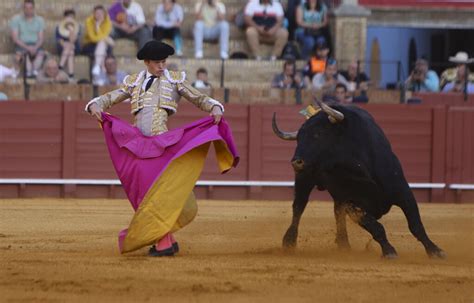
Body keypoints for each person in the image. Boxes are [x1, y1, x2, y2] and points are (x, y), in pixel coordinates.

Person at [85, 40, 226, 257]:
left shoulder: (174, 80)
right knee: (147, 194)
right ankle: (166, 237)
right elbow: (113, 96)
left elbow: (197, 97)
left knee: (158, 194)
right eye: (157, 62)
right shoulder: (135, 81)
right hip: (140, 145)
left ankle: (164, 242)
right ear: (147, 63)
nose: (162, 66)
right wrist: (96, 104)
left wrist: (214, 106)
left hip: (162, 145)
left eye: (164, 61)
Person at [9, 0, 45, 78]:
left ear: (34, 8)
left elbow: (41, 38)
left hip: (36, 45)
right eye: (26, 8)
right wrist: (28, 48)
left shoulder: (40, 20)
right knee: (24, 54)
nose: (28, 10)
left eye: (30, 8)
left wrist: (35, 47)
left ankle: (34, 72)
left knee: (41, 54)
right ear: (23, 8)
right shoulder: (16, 19)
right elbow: (15, 38)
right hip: (21, 45)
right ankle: (29, 72)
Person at [82, 5, 114, 77]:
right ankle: (102, 70)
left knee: (102, 44)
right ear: (93, 14)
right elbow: (93, 38)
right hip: (89, 45)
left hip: (101, 45)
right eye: (97, 13)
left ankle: (97, 66)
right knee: (104, 45)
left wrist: (98, 28)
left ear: (104, 14)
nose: (99, 15)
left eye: (101, 13)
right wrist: (97, 26)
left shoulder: (107, 21)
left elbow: (103, 36)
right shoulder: (89, 21)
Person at [55, 9, 81, 79]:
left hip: (76, 48)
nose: (70, 19)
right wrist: (66, 44)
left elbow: (73, 41)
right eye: (68, 17)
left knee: (71, 47)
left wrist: (72, 31)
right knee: (70, 50)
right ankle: (71, 75)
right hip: (63, 48)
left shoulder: (77, 27)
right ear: (64, 18)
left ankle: (60, 68)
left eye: (72, 17)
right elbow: (60, 41)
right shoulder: (59, 27)